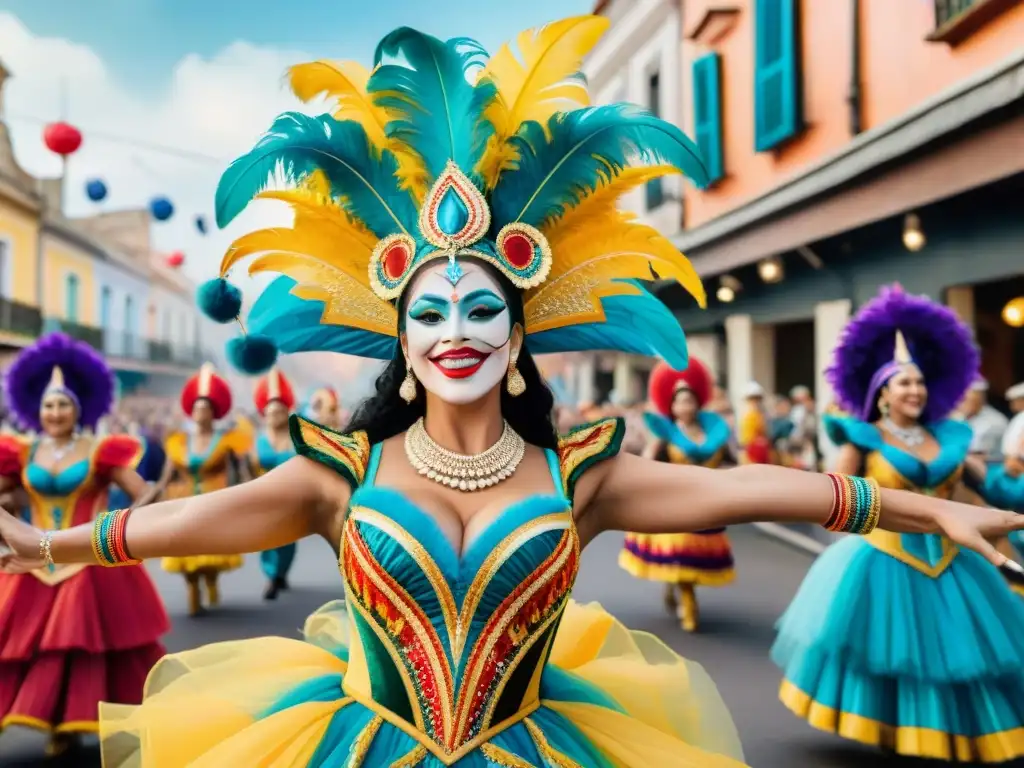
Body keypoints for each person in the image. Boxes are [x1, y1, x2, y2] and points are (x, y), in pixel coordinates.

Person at [0, 19, 1022, 767]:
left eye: (482, 311)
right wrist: (46, 549)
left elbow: (764, 489)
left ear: (521, 335)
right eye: (430, 315)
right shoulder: (336, 475)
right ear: (398, 341)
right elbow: (184, 518)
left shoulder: (580, 476)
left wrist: (929, 505)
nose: (455, 334)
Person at [772, 285, 1024, 763]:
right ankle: (898, 734)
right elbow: (833, 496)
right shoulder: (862, 439)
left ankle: (938, 739)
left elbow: (992, 494)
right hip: (883, 558)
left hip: (952, 562)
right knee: (894, 649)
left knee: (955, 653)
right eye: (903, 383)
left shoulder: (951, 440)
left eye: (920, 383)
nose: (914, 390)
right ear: (882, 394)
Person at [0, 333, 168, 756]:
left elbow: (143, 492)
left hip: (88, 559)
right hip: (33, 563)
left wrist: (125, 523)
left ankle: (76, 723)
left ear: (79, 409)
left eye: (64, 404)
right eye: (49, 405)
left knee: (82, 646)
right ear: (36, 409)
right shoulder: (21, 452)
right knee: (31, 646)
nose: (56, 412)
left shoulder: (100, 451)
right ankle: (53, 721)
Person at [620, 359, 734, 632]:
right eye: (679, 402)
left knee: (694, 555)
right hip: (676, 501)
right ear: (671, 407)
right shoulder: (665, 435)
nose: (685, 407)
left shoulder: (714, 433)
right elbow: (646, 465)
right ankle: (688, 603)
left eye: (689, 401)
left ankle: (675, 587)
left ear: (698, 403)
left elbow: (731, 463)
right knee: (681, 551)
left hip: (708, 502)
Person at [159, 363, 251, 615]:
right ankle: (192, 590)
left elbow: (241, 473)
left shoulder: (228, 440)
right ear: (191, 411)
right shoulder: (177, 441)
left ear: (214, 412)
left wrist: (250, 496)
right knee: (186, 550)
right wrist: (143, 505)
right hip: (183, 501)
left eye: (206, 408)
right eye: (198, 408)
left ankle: (210, 580)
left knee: (210, 552)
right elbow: (165, 478)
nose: (201, 412)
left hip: (214, 500)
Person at [248, 366, 299, 600]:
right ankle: (271, 575)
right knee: (268, 537)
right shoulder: (257, 441)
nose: (274, 415)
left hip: (291, 497)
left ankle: (281, 572)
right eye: (271, 411)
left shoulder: (295, 438)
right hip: (264, 496)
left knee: (288, 540)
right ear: (264, 413)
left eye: (279, 411)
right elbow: (248, 469)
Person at [958, 377, 1008, 460]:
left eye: (965, 400)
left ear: (980, 399)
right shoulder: (961, 418)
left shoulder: (994, 421)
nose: (960, 404)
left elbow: (978, 454)